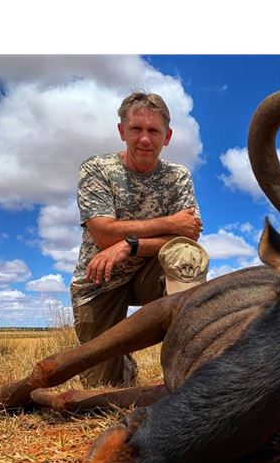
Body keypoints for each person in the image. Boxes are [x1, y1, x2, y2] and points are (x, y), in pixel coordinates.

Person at [70, 91, 206, 388]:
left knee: (186, 255)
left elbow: (189, 237)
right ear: (122, 132)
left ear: (167, 136)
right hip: (100, 281)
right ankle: (123, 366)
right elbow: (104, 233)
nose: (145, 139)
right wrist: (170, 224)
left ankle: (187, 373)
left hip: (149, 272)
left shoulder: (178, 176)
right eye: (136, 129)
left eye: (153, 131)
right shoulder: (96, 168)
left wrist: (130, 245)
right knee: (101, 387)